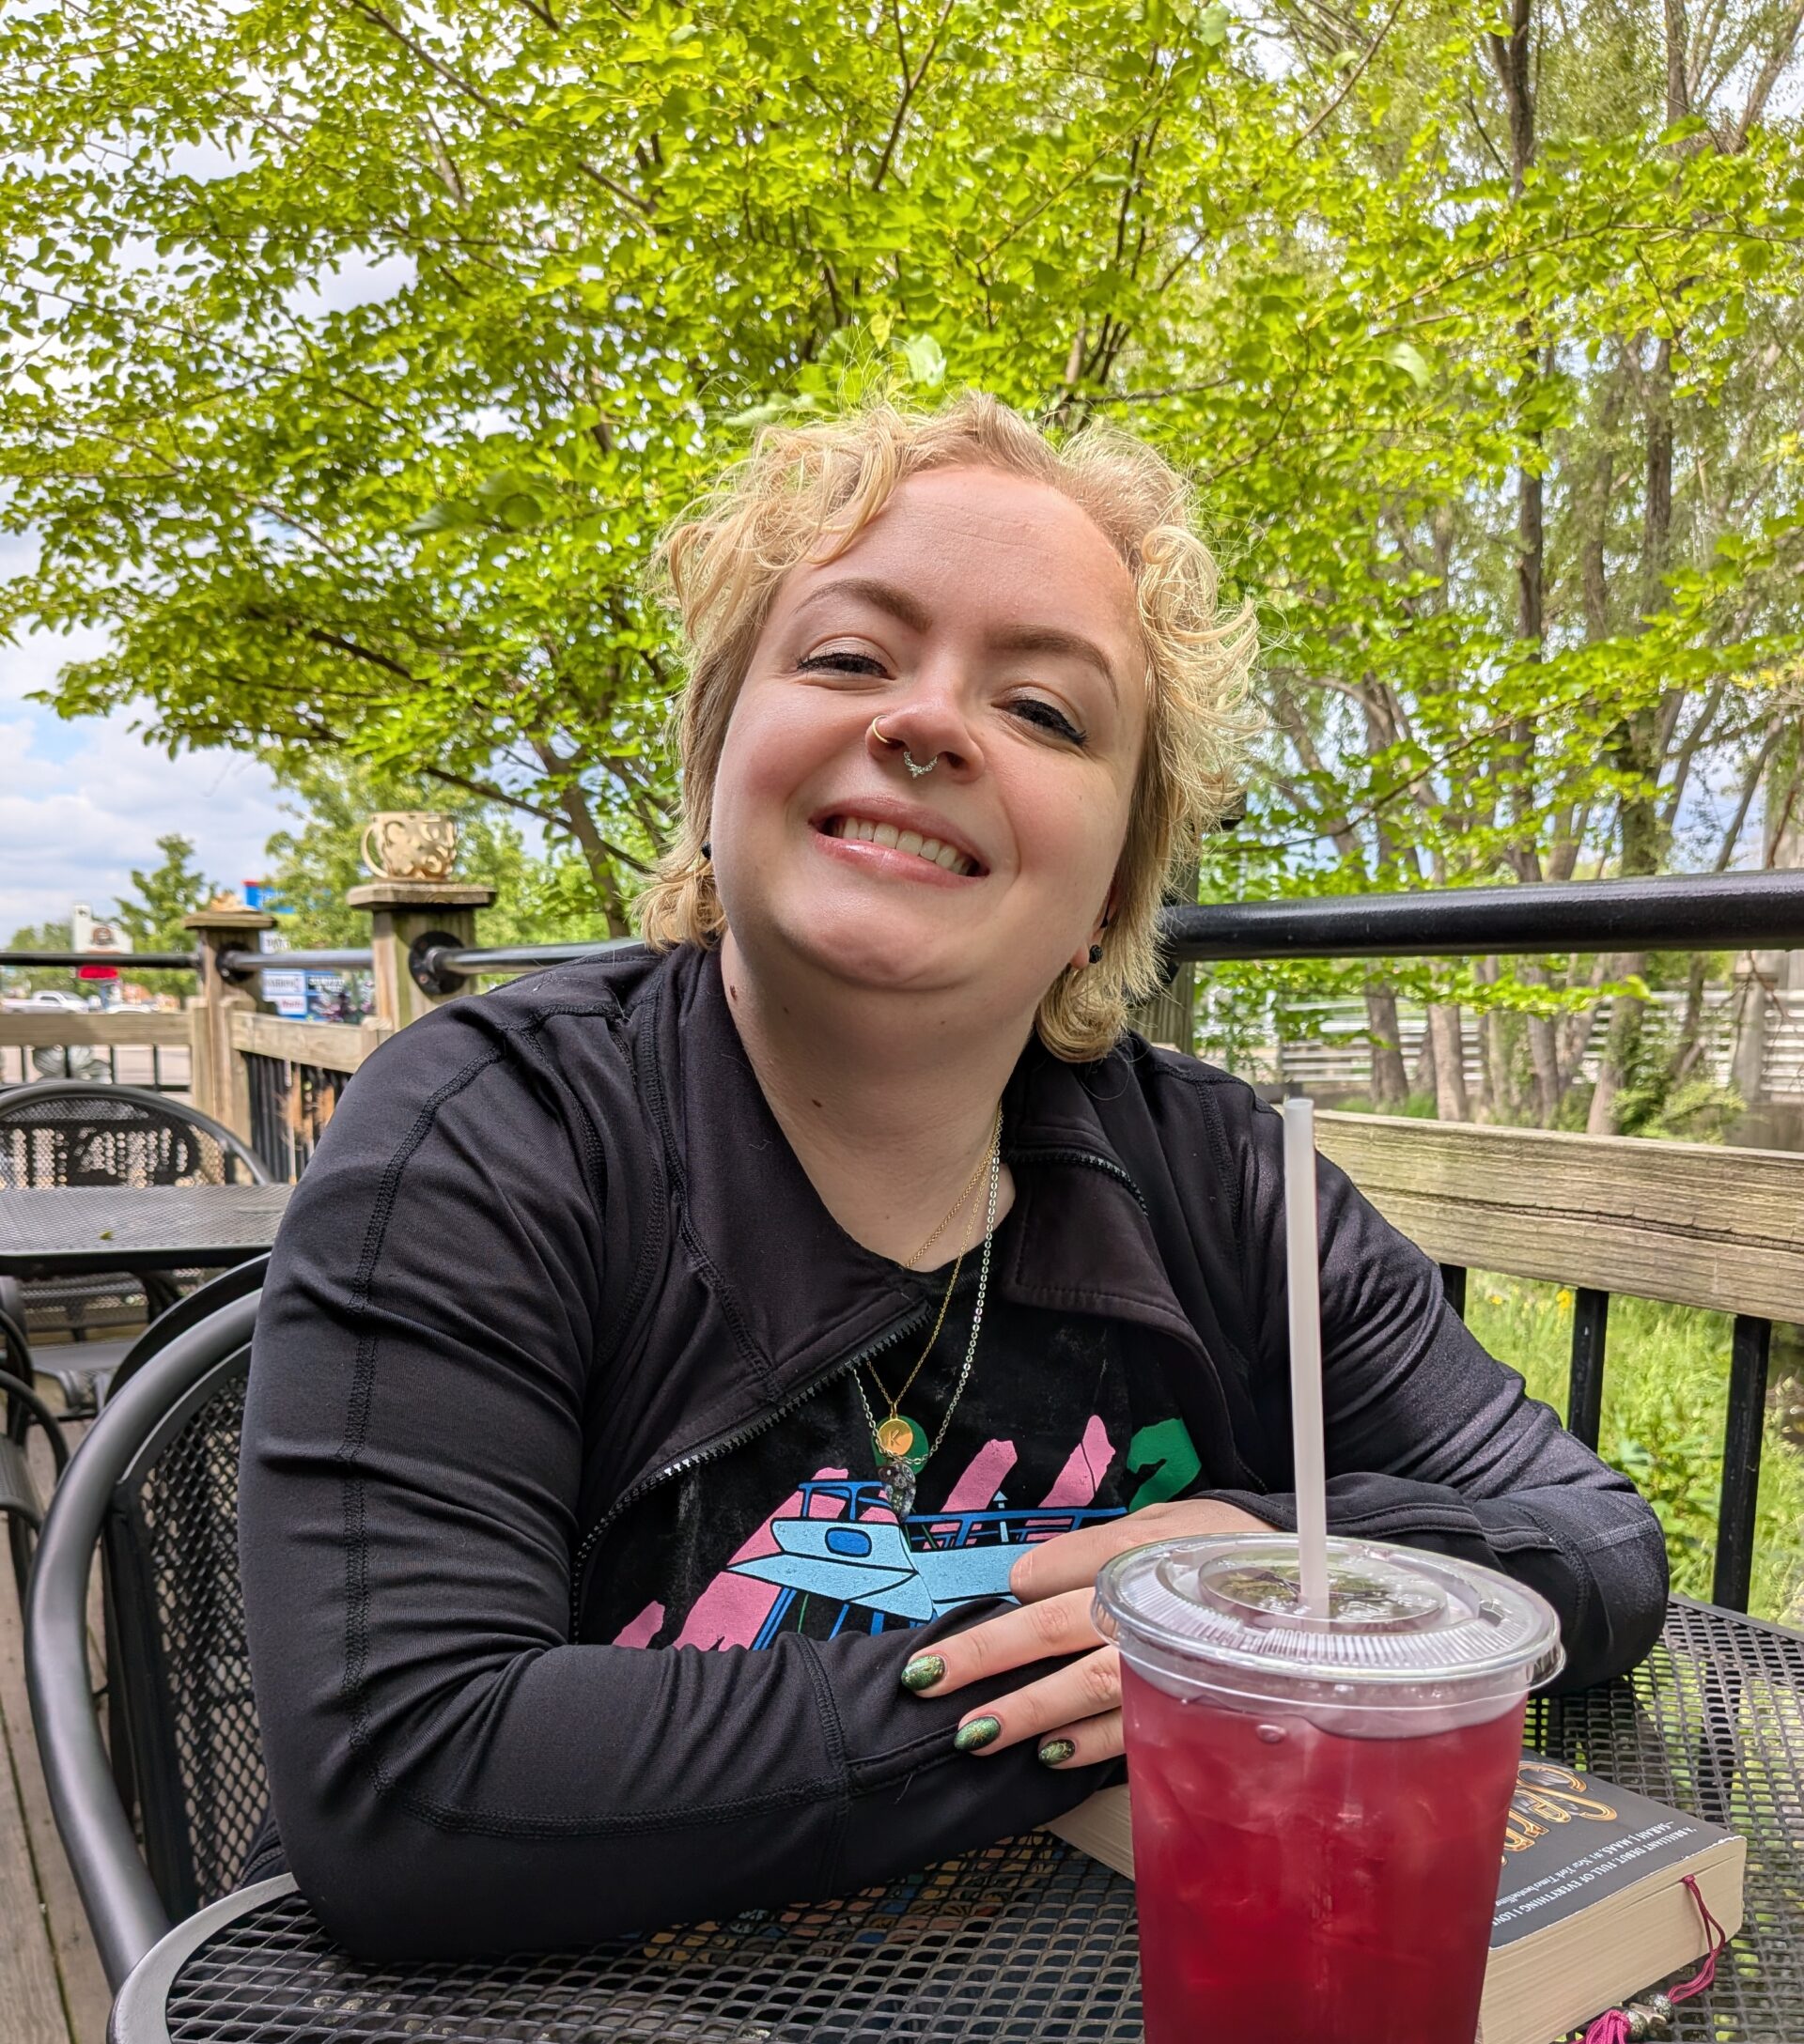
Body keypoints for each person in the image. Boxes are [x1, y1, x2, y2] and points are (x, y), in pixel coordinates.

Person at [239, 393, 1667, 1959]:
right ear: (719, 757)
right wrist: (1139, 1663)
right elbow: (412, 1788)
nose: (927, 724)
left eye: (1048, 712)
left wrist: (1269, 1574)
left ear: (1117, 880)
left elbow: (1595, 1544)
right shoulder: (490, 1133)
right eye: (848, 656)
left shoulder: (1229, 1185)